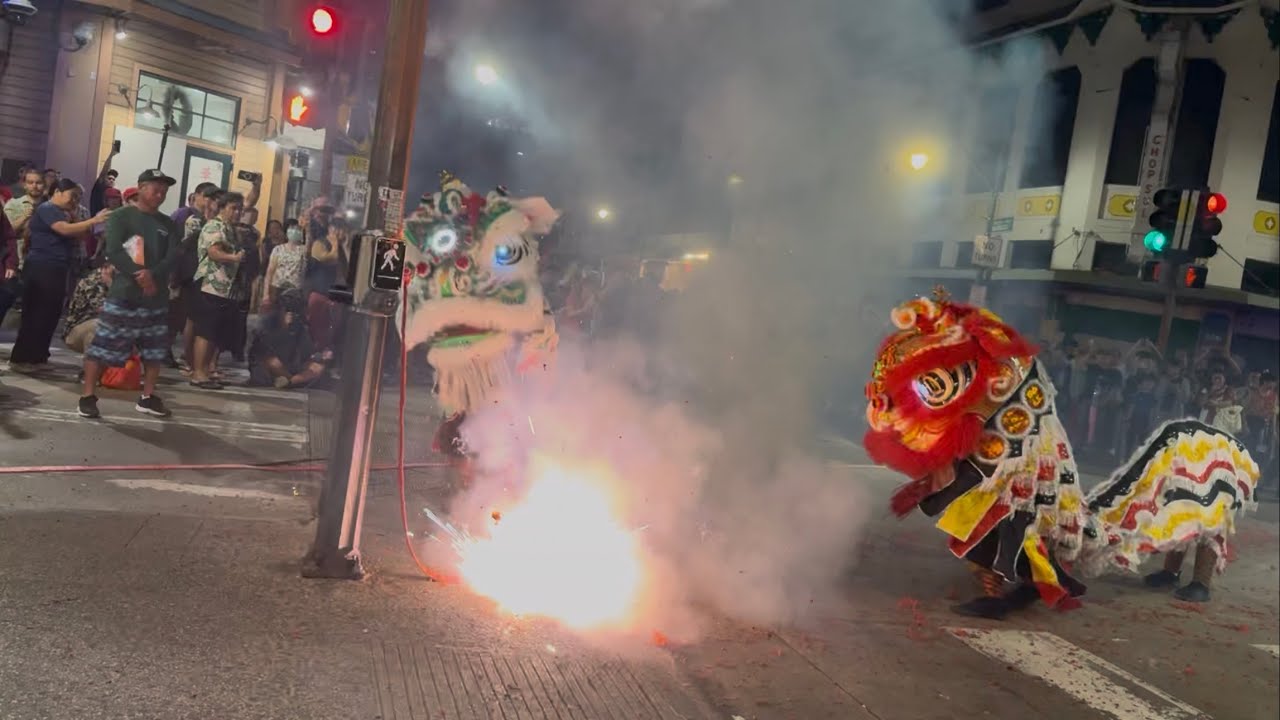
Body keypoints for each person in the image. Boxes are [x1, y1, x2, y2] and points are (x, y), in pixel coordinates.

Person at [79, 170, 179, 418]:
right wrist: (139, 274)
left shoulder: (168, 224)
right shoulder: (121, 216)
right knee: (102, 346)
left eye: (164, 191)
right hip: (124, 294)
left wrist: (152, 275)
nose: (160, 195)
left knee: (154, 351)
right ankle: (88, 396)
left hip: (156, 297)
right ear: (141, 188)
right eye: (155, 189)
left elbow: (172, 256)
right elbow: (114, 250)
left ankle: (147, 396)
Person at [8, 180, 111, 373]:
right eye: (73, 196)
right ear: (57, 192)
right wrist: (93, 221)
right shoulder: (47, 208)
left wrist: (81, 222)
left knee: (50, 314)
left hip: (59, 266)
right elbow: (62, 229)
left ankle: (38, 357)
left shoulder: (65, 212)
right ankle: (21, 359)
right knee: (36, 314)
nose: (75, 201)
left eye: (78, 198)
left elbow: (78, 236)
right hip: (42, 266)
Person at [189, 191, 246, 389]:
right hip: (210, 284)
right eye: (233, 208)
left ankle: (206, 370)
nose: (237, 213)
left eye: (240, 209)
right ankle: (198, 372)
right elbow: (214, 252)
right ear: (222, 208)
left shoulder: (231, 229)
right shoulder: (214, 225)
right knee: (205, 331)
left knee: (215, 332)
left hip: (225, 288)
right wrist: (234, 258)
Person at [248, 293, 331, 389]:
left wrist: (320, 357)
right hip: (267, 367)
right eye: (288, 310)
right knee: (273, 362)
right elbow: (261, 353)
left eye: (296, 312)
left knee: (318, 368)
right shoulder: (266, 324)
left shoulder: (300, 328)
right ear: (280, 310)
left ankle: (290, 382)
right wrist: (283, 330)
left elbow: (308, 354)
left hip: (291, 367)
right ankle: (291, 381)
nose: (292, 315)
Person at [63, 262, 113, 354]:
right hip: (78, 330)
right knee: (99, 325)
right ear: (105, 268)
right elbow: (103, 309)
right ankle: (92, 361)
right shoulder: (92, 282)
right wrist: (112, 286)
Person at [263, 219, 306, 312]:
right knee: (275, 317)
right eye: (292, 229)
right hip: (277, 289)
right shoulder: (278, 249)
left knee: (291, 317)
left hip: (295, 290)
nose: (294, 232)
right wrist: (266, 294)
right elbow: (270, 271)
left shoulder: (304, 250)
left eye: (297, 229)